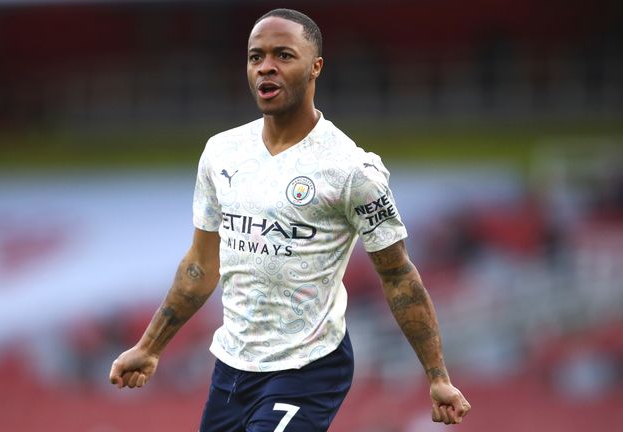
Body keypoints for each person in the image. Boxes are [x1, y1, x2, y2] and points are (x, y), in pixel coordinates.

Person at [109, 8, 471, 431]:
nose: (266, 67)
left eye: (283, 55)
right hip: (232, 367)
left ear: (315, 67)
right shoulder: (222, 154)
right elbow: (201, 265)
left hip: (309, 367)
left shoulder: (352, 170)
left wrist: (438, 377)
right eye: (255, 56)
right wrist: (150, 347)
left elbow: (399, 278)